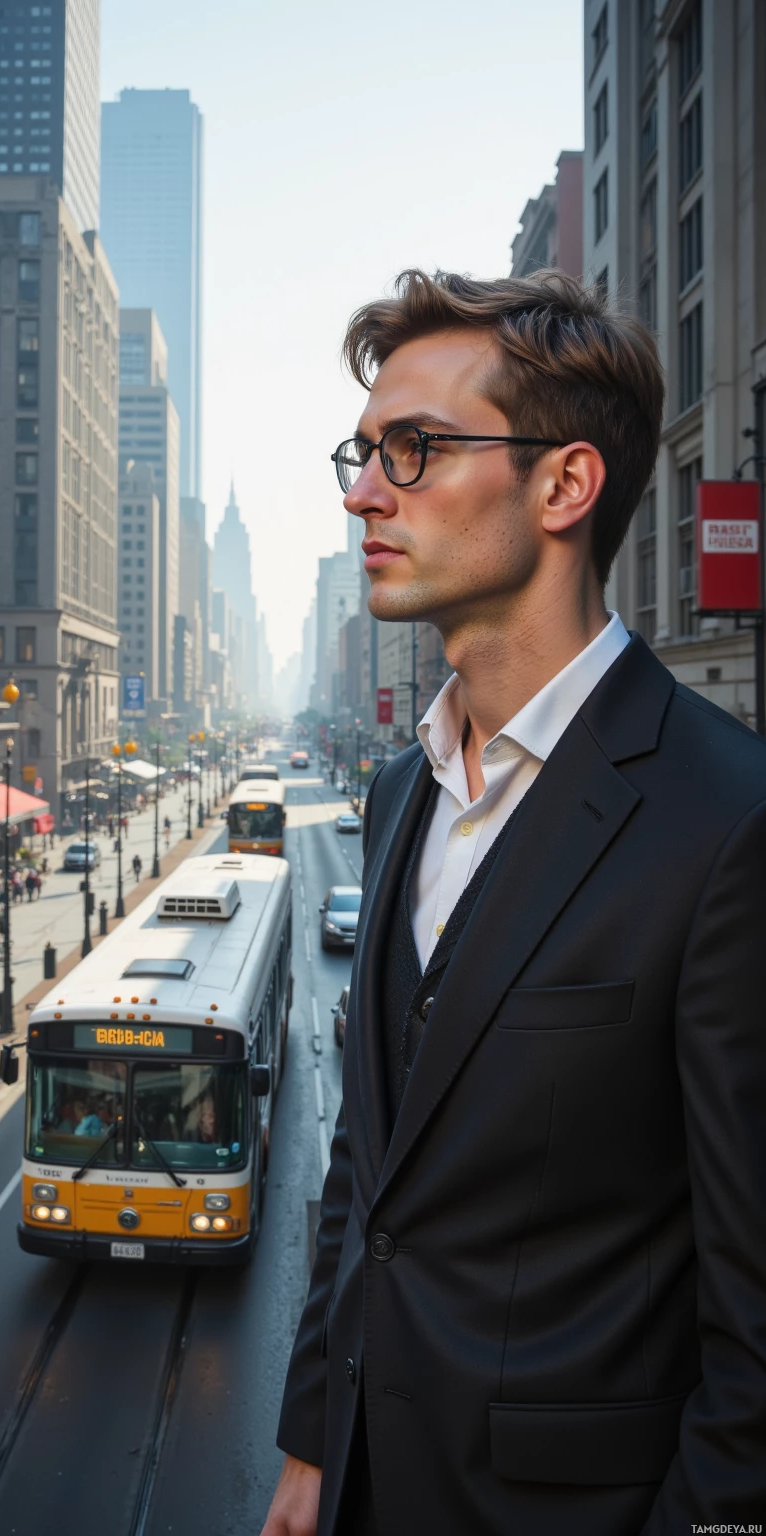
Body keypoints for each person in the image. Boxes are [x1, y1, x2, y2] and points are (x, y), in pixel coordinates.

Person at [263, 270, 766, 1536]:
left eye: (413, 450)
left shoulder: (730, 823)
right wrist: (316, 1441)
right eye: (362, 452)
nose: (361, 490)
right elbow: (366, 1172)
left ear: (563, 486)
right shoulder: (395, 794)